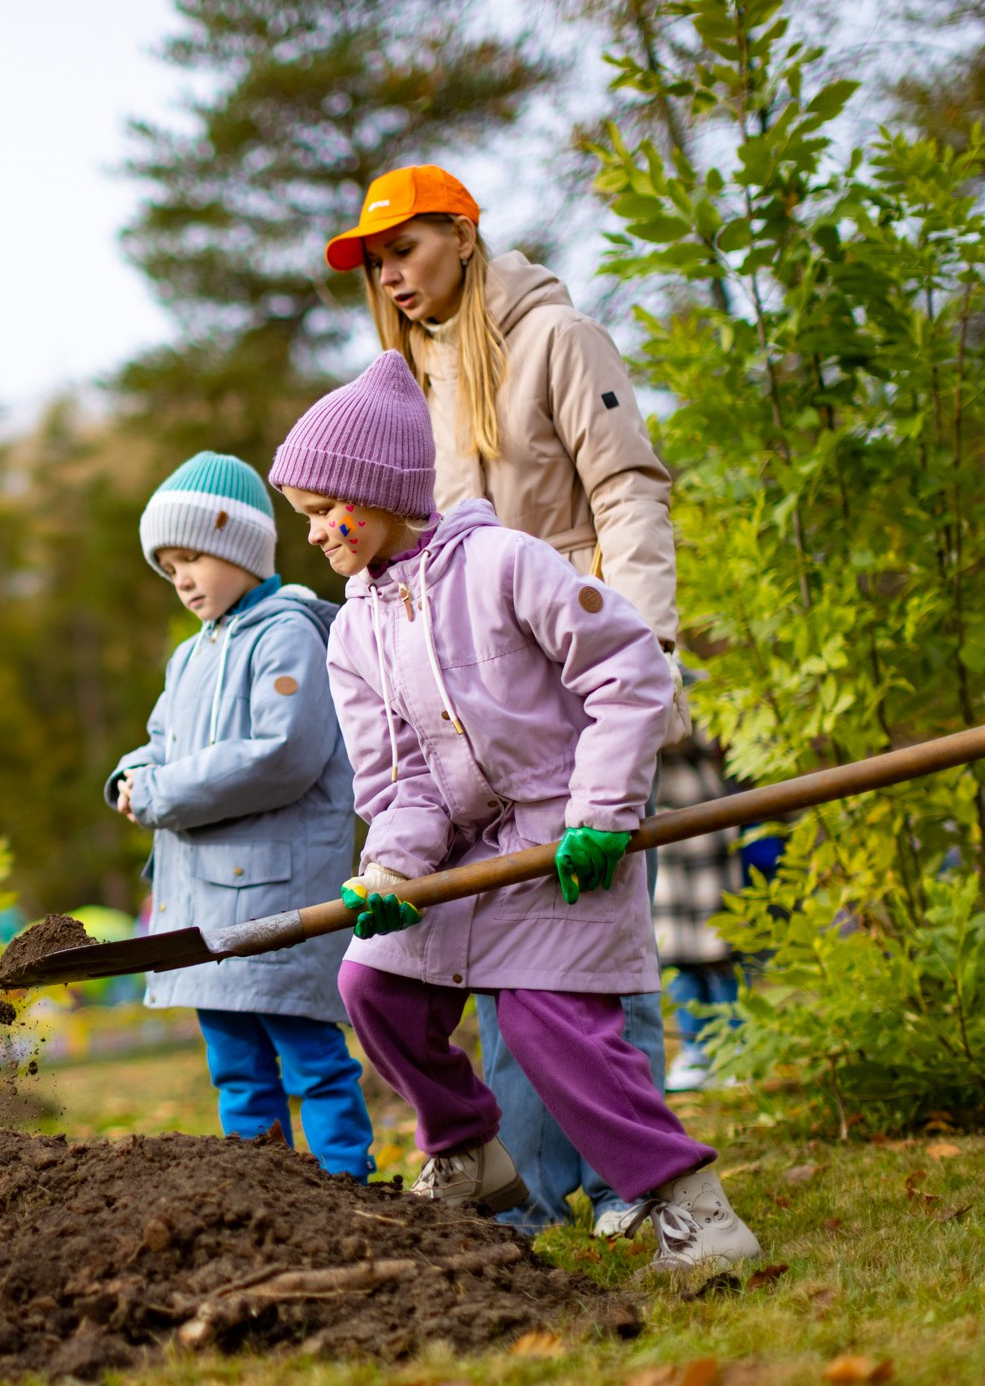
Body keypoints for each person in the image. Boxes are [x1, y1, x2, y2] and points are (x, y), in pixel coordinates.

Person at [271, 351, 760, 1276]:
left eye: (317, 515)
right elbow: (402, 782)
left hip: (560, 836)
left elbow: (631, 671)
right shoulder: (352, 629)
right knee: (371, 983)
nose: (314, 539)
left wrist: (601, 814)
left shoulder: (501, 564)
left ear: (369, 496)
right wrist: (391, 871)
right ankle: (467, 1152)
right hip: (460, 851)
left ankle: (695, 1214)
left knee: (547, 1027)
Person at [330, 163, 678, 1236]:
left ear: (465, 234)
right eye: (378, 264)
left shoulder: (557, 340)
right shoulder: (405, 382)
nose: (393, 278)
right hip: (472, 696)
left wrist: (643, 643)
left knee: (587, 944)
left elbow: (626, 485)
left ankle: (633, 1185)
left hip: (576, 668)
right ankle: (534, 1190)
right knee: (493, 952)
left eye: (408, 250)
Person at [104, 452, 374, 1177]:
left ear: (242, 548)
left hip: (274, 899)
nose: (182, 580)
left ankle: (346, 1182)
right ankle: (261, 1193)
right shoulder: (188, 656)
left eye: (192, 557)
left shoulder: (288, 635)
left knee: (309, 1058)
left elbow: (279, 753)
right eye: (168, 568)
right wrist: (131, 775)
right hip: (202, 905)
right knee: (234, 1067)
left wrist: (158, 794)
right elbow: (160, 744)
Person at [653, 730, 745, 1093]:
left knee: (719, 947)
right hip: (657, 825)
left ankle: (737, 1049)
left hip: (705, 819)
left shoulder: (695, 683)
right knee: (674, 954)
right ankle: (697, 1051)